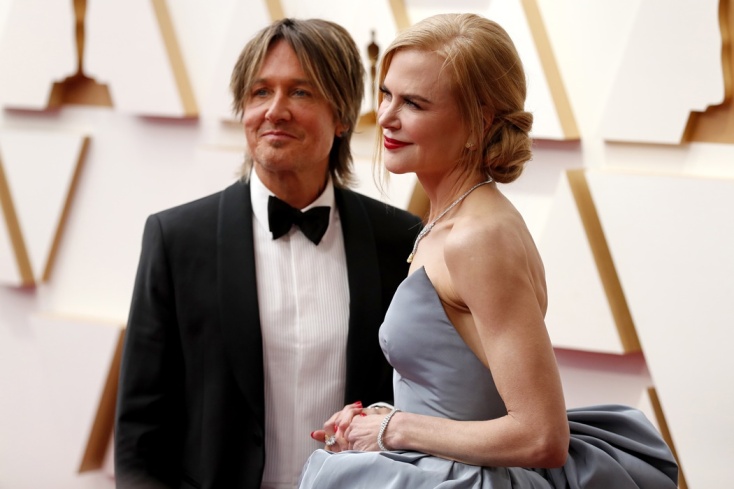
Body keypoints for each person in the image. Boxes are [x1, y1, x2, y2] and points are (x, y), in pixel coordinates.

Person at [298, 13, 679, 488]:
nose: (387, 117)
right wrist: (377, 420)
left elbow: (541, 435)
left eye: (414, 103)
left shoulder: (478, 238)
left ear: (480, 121)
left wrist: (394, 429)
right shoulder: (449, 220)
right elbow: (466, 394)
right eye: (386, 94)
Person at [114, 18, 422, 489]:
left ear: (342, 115)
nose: (275, 111)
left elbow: (418, 402)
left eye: (300, 92)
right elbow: (140, 431)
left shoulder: (401, 241)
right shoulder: (176, 239)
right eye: (260, 92)